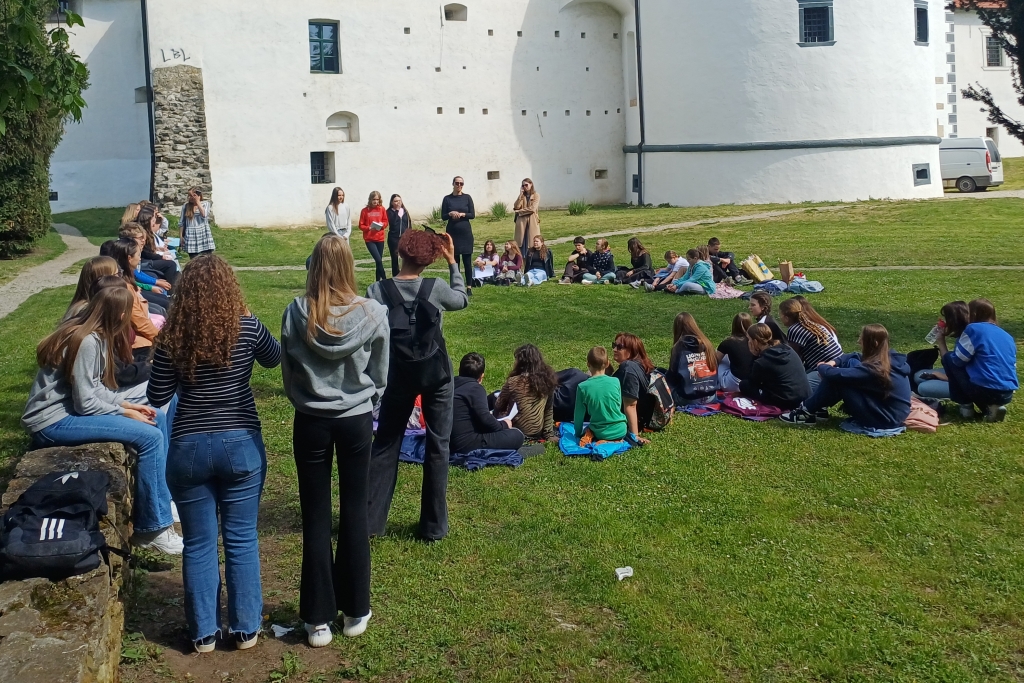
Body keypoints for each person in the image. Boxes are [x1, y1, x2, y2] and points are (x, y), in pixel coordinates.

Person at [148, 255, 281, 653]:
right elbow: (274, 358)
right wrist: (248, 315)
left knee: (199, 542)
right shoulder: (246, 326)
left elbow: (157, 394)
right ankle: (245, 628)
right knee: (241, 538)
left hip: (188, 445)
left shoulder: (173, 336)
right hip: (240, 441)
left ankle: (203, 632)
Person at [281, 235, 388, 646]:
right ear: (349, 265)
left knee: (316, 515)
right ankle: (356, 608)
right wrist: (366, 401)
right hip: (355, 419)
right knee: (354, 511)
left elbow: (289, 370)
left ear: (313, 265)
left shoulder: (296, 312)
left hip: (311, 419)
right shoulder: (373, 313)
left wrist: (304, 399)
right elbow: (381, 373)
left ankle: (317, 618)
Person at [22, 286, 181, 555]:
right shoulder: (87, 341)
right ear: (120, 314)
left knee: (158, 416)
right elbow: (85, 403)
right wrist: (124, 412)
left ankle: (162, 499)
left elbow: (94, 389)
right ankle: (153, 528)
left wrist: (126, 404)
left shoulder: (95, 336)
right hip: (52, 421)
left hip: (68, 412)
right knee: (150, 436)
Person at [366, 229, 469, 541]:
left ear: (400, 253)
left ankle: (370, 523)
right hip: (436, 374)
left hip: (397, 375)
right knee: (438, 446)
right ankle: (433, 527)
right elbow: (461, 300)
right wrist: (453, 262)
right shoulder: (435, 287)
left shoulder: (377, 291)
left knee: (386, 444)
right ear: (430, 260)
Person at [781, 325, 912, 429]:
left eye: (862, 339)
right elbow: (854, 356)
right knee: (851, 363)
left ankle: (805, 412)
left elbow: (833, 374)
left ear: (874, 343)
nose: (858, 341)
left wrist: (822, 366)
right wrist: (833, 362)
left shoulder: (874, 369)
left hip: (884, 419)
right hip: (891, 413)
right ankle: (817, 408)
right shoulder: (888, 358)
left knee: (839, 380)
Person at [936, 298, 1017, 422]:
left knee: (949, 358)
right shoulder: (1006, 336)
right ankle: (993, 408)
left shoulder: (973, 329)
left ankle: (966, 407)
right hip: (1007, 392)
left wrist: (941, 341)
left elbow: (957, 360)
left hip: (984, 389)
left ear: (973, 314)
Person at [451, 353, 526, 453]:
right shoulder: (475, 389)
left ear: (460, 370)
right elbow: (486, 421)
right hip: (466, 444)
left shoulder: (451, 385)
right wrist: (504, 424)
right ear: (481, 376)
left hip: (448, 440)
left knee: (495, 395)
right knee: (517, 435)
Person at [739, 323, 811, 409]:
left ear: (755, 342)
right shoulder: (787, 349)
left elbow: (751, 381)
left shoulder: (761, 362)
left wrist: (754, 356)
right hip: (805, 396)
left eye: (749, 339)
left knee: (744, 385)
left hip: (788, 401)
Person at [110, 238, 164, 350]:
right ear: (129, 258)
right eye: (138, 255)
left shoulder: (126, 279)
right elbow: (140, 322)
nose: (140, 258)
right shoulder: (124, 287)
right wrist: (162, 342)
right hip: (137, 342)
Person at [495, 344, 557, 441]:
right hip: (537, 431)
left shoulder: (513, 382)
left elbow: (499, 405)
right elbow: (548, 410)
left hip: (516, 429)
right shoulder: (547, 381)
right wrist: (549, 434)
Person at [778, 298, 842, 388]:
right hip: (839, 363)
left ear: (786, 317)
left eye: (780, 314)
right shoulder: (810, 324)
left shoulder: (795, 329)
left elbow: (793, 358)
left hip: (827, 369)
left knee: (797, 387)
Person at [914, 301, 970, 399]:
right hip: (957, 374)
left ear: (953, 320)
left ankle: (965, 402)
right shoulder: (963, 334)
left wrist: (941, 376)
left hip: (966, 383)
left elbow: (961, 373)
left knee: (922, 387)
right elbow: (951, 364)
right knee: (918, 376)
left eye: (945, 318)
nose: (943, 321)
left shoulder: (967, 339)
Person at [574, 347, 628, 444]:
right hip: (621, 429)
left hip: (601, 432)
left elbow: (578, 416)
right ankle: (614, 440)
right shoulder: (616, 381)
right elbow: (618, 405)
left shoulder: (582, 387)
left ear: (588, 364)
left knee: (588, 429)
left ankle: (605, 440)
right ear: (607, 363)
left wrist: (578, 434)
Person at [668, 312, 719, 406]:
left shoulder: (679, 347)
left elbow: (672, 378)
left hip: (689, 398)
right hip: (711, 396)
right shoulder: (707, 343)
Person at [612, 332, 653, 443]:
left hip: (637, 419)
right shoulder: (640, 364)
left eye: (619, 347)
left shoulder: (628, 369)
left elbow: (631, 404)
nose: (614, 349)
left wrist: (634, 436)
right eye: (614, 345)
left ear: (631, 351)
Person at [441, 176, 476, 293]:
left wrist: (462, 214)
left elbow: (472, 214)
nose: (459, 185)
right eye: (457, 183)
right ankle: (456, 285)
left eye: (461, 183)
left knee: (467, 261)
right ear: (453, 184)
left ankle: (469, 286)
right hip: (453, 233)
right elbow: (443, 216)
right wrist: (450, 213)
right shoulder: (447, 199)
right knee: (454, 261)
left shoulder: (467, 197)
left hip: (465, 233)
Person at [135, 205, 179, 286]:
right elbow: (146, 253)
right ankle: (169, 288)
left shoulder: (147, 233)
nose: (154, 224)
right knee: (171, 264)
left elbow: (148, 250)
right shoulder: (142, 234)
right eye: (153, 221)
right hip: (144, 262)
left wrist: (159, 250)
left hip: (147, 259)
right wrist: (161, 257)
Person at [64, 256, 119, 321]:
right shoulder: (85, 311)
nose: (119, 278)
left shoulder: (95, 304)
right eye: (115, 275)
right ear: (101, 280)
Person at [717, 313, 755, 392]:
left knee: (721, 358)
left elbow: (714, 362)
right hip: (752, 383)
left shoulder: (728, 342)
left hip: (733, 385)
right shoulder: (755, 342)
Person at [359, 191, 389, 282]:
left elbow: (386, 221)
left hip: (380, 238)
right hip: (370, 239)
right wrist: (369, 228)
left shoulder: (382, 209)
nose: (375, 201)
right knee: (379, 260)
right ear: (370, 200)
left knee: (378, 262)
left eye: (377, 199)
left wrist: (382, 225)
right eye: (374, 199)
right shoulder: (365, 211)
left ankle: (378, 281)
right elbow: (361, 225)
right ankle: (385, 280)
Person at [180, 187, 215, 258]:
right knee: (194, 259)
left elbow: (204, 215)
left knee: (206, 258)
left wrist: (198, 201)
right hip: (191, 235)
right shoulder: (186, 206)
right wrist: (181, 236)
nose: (190, 197)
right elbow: (181, 222)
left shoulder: (205, 204)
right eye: (189, 196)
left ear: (199, 195)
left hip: (203, 234)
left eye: (192, 195)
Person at [386, 193, 412, 276]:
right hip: (393, 238)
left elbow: (409, 223)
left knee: (406, 256)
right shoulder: (389, 212)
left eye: (399, 201)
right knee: (395, 258)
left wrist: (410, 234)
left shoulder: (405, 211)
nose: (398, 203)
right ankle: (395, 275)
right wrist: (397, 212)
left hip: (404, 237)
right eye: (396, 201)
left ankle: (406, 273)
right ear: (392, 202)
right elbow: (393, 223)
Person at [513, 178, 540, 254]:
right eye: (523, 185)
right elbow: (516, 206)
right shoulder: (522, 196)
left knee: (532, 241)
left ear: (531, 184)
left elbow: (532, 209)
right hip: (522, 222)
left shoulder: (536, 195)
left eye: (526, 185)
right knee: (521, 242)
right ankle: (522, 258)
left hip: (532, 221)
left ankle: (532, 257)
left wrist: (520, 212)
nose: (525, 187)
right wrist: (520, 195)